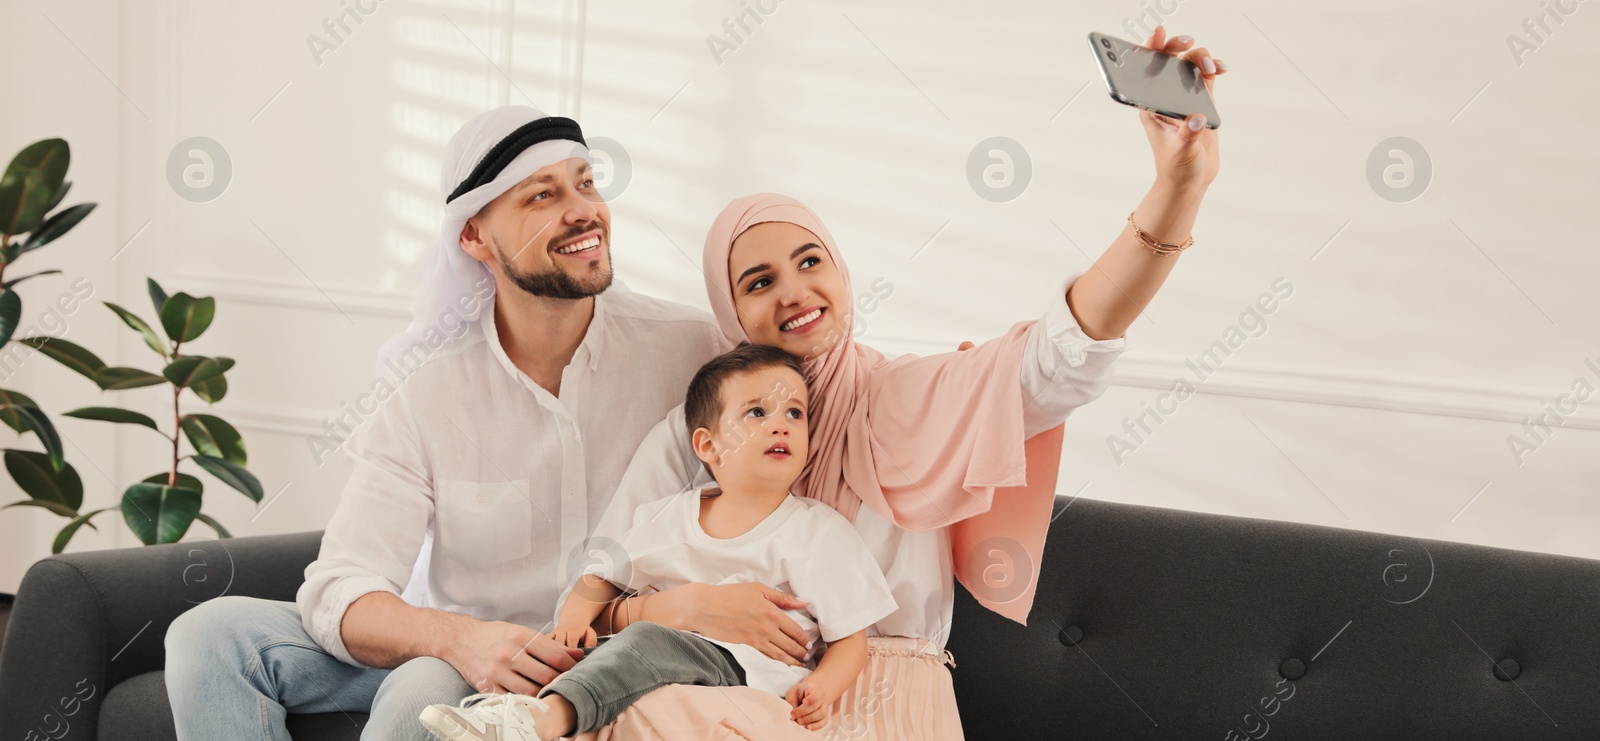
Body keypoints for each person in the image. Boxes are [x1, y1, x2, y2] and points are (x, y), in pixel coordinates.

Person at [562, 24, 1225, 740]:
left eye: (811, 261)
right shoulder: (694, 434)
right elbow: (596, 587)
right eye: (759, 280)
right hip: (717, 688)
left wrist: (1177, 187)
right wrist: (676, 610)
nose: (795, 291)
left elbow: (1065, 352)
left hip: (887, 695)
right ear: (730, 311)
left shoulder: (905, 398)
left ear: (841, 272)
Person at [161, 106, 734, 740]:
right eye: (543, 195)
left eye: (585, 182)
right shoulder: (426, 389)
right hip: (473, 658)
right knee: (207, 634)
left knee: (419, 691)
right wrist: (464, 640)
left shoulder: (691, 350)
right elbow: (340, 585)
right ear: (474, 238)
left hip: (624, 655)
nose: (582, 210)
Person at [418, 344, 897, 740]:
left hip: (747, 669)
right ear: (708, 446)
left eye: (795, 412)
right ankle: (507, 714)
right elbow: (599, 573)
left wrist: (823, 687)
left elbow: (850, 639)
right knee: (586, 653)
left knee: (646, 641)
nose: (781, 424)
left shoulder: (819, 531)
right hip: (657, 654)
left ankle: (541, 721)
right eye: (757, 412)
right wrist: (571, 622)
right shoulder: (672, 515)